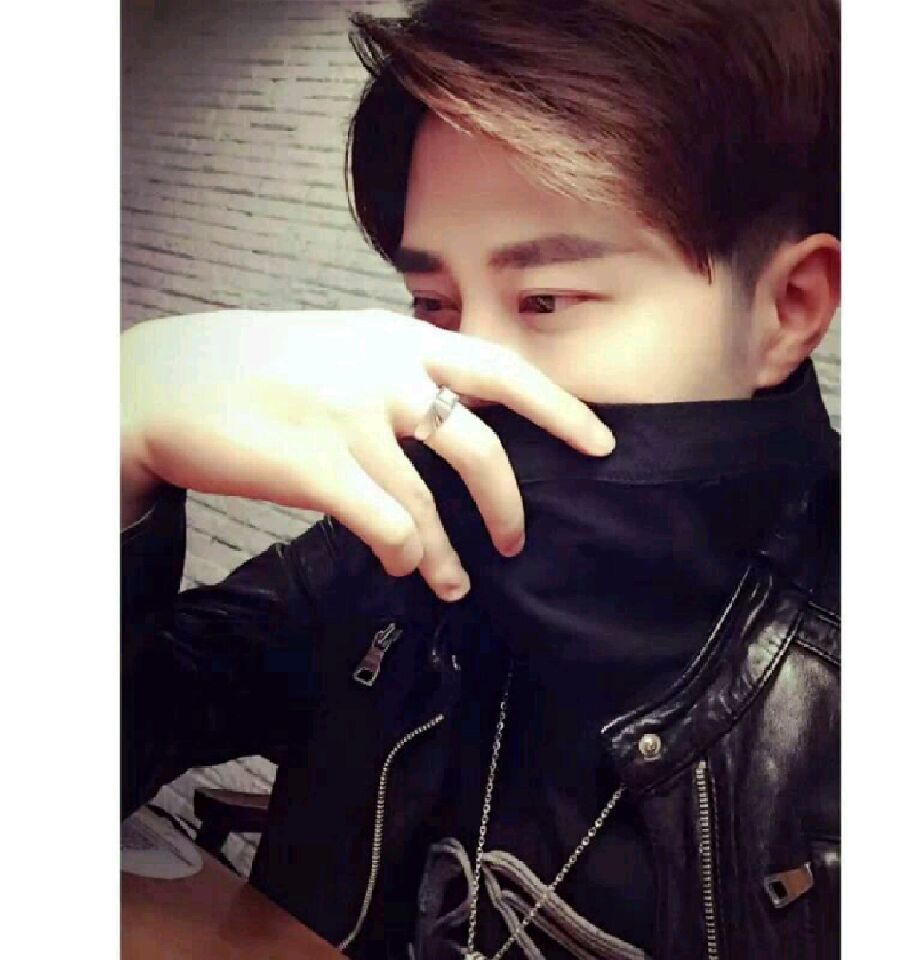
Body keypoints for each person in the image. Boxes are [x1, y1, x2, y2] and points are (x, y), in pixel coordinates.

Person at [121, 1, 840, 958]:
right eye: (434, 304)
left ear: (788, 307)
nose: (464, 381)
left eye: (546, 300)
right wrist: (111, 430)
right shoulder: (392, 556)